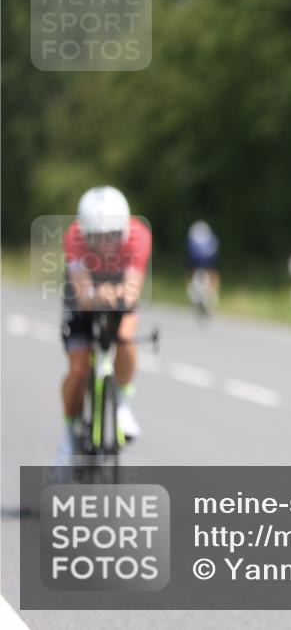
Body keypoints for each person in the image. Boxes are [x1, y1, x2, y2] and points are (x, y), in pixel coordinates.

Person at [58, 186, 152, 463]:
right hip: (83, 296)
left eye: (112, 236)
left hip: (119, 293)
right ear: (84, 232)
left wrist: (119, 294)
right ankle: (68, 436)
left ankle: (122, 402)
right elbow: (81, 289)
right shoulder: (73, 236)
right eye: (95, 237)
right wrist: (95, 295)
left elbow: (133, 288)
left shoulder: (139, 235)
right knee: (78, 369)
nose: (104, 244)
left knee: (125, 338)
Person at [186, 219, 220, 313]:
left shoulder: (196, 240)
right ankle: (211, 293)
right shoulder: (210, 239)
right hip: (205, 262)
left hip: (200, 262)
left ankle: (207, 293)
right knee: (212, 271)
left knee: (209, 271)